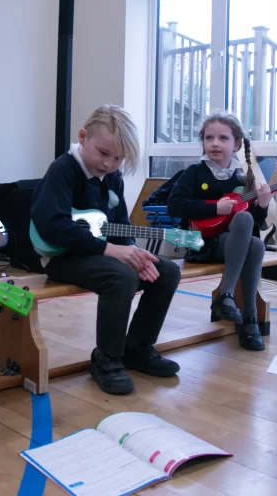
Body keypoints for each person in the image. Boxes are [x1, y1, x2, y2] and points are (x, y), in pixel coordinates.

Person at [30, 104, 182, 395]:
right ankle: (106, 359)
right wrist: (111, 251)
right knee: (121, 277)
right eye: (103, 154)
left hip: (98, 253)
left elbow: (120, 225)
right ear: (83, 136)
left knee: (167, 272)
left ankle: (137, 348)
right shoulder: (63, 169)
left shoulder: (113, 177)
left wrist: (132, 254)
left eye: (118, 159)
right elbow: (52, 226)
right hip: (62, 257)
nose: (109, 164)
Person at [167, 113, 271, 351]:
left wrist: (262, 204)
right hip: (199, 242)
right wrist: (214, 207)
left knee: (254, 239)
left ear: (235, 144)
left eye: (223, 138)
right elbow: (174, 205)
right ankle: (247, 318)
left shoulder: (243, 177)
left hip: (230, 244)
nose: (215, 143)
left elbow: (254, 224)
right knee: (252, 242)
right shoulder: (194, 172)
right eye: (209, 137)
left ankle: (231, 303)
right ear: (202, 142)